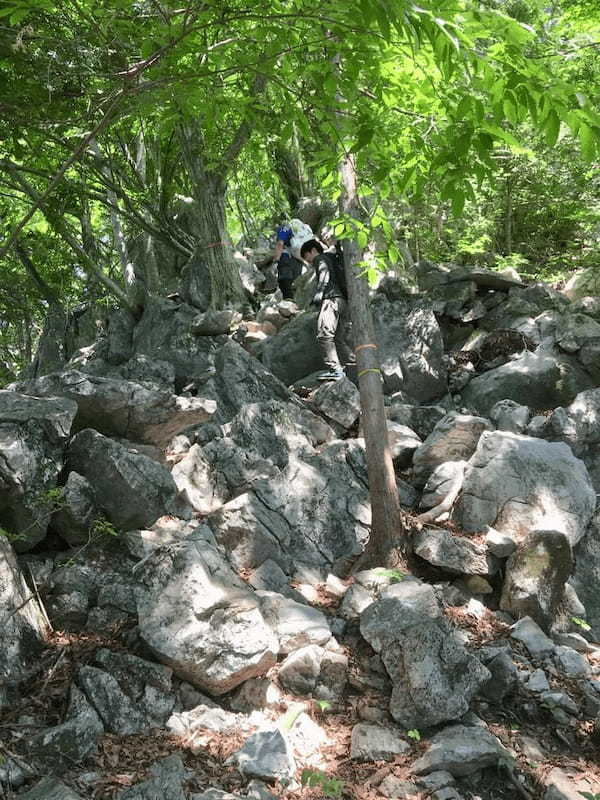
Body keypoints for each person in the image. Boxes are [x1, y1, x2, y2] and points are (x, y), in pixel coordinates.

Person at [300, 238, 355, 381]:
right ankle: (354, 364)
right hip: (343, 302)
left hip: (331, 299)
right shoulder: (332, 258)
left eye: (307, 258)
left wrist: (319, 294)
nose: (309, 262)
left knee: (324, 334)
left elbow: (324, 273)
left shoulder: (320, 258)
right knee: (338, 338)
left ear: (313, 251)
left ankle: (335, 370)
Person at [273, 221, 301, 299]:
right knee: (295, 282)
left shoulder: (283, 229)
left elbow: (280, 244)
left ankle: (288, 301)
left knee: (284, 280)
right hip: (298, 259)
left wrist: (276, 260)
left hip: (286, 257)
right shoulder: (297, 230)